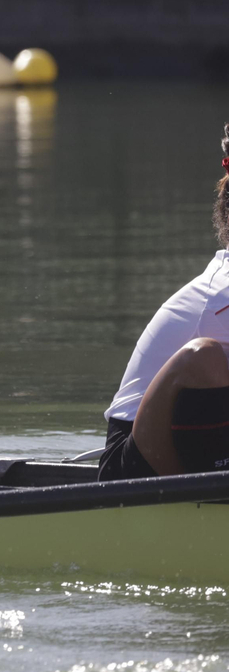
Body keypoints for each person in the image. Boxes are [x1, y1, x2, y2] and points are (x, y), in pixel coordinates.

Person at [100, 124, 229, 480]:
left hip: (202, 444)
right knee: (202, 355)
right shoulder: (223, 294)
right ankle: (194, 500)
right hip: (132, 471)